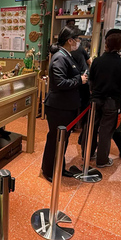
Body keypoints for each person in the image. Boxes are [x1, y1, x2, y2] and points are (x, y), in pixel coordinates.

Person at [40, 27, 88, 182]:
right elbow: (60, 82)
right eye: (77, 39)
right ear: (70, 40)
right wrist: (79, 80)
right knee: (55, 139)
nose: (79, 42)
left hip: (66, 105)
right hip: (58, 107)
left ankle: (59, 168)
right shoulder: (60, 57)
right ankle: (48, 170)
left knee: (63, 140)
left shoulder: (67, 55)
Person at [89, 29, 121, 167]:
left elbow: (91, 83)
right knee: (106, 132)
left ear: (106, 44)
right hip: (112, 102)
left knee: (91, 129)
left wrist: (94, 93)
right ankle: (102, 160)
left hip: (95, 100)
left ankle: (88, 154)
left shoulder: (97, 61)